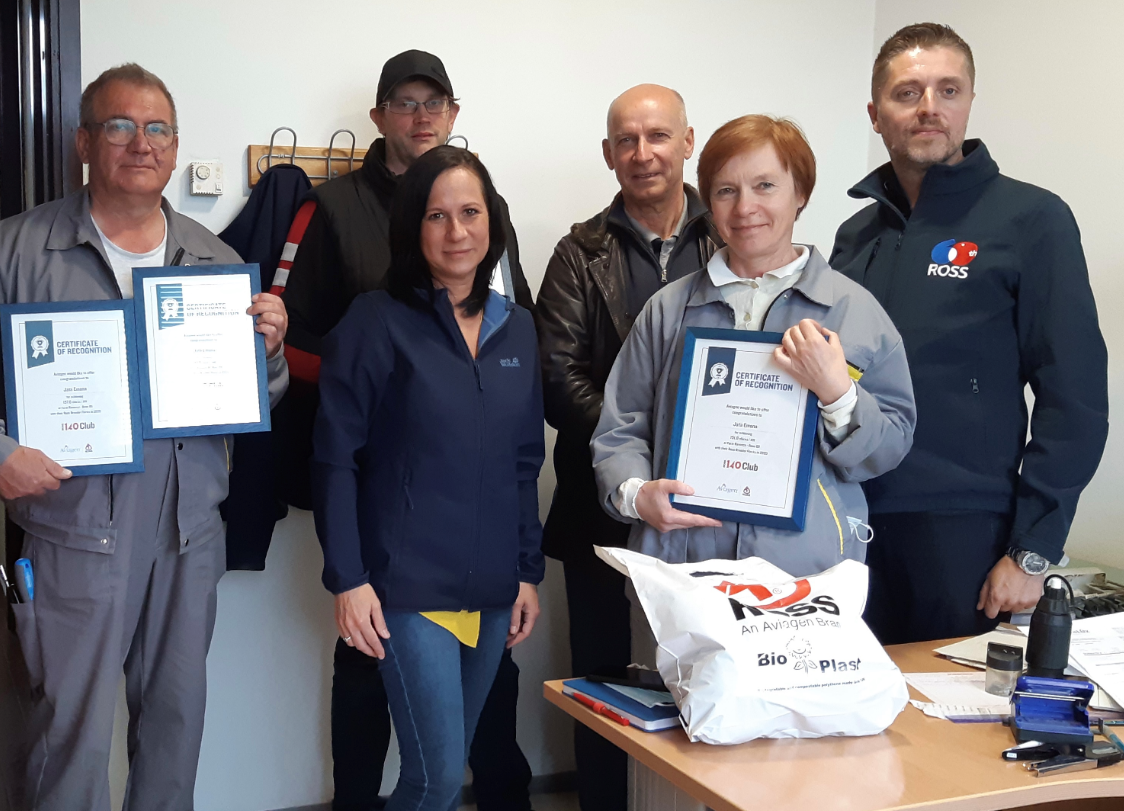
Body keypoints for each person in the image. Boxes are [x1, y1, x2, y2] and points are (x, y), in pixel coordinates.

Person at [0, 64, 289, 811]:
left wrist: (268, 353)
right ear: (85, 141)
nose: (139, 143)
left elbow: (252, 397)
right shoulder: (13, 250)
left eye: (156, 130)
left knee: (176, 726)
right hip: (72, 531)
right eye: (119, 126)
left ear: (176, 149)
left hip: (188, 534)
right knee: (69, 735)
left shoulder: (212, 263)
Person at [280, 50, 535, 811]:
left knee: (449, 764)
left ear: (492, 224)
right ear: (411, 226)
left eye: (470, 213)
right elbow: (336, 458)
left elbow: (524, 459)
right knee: (431, 775)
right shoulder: (375, 321)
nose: (455, 231)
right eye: (435, 214)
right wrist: (349, 580)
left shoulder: (515, 326)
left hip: (491, 585)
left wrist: (527, 570)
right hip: (403, 585)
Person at [590, 115, 916, 656]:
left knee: (794, 734)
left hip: (805, 581)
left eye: (765, 185)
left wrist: (838, 394)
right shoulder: (669, 311)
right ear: (708, 203)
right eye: (726, 190)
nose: (745, 208)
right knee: (671, 734)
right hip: (681, 573)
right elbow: (620, 429)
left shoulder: (853, 311)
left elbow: (891, 446)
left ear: (800, 193)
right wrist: (637, 495)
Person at [830, 23, 1109, 645]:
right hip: (850, 524)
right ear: (876, 115)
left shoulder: (1033, 220)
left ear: (969, 103)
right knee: (848, 731)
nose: (930, 107)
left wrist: (1033, 549)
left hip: (965, 536)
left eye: (947, 90)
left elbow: (1077, 399)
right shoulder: (855, 238)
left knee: (946, 733)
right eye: (908, 93)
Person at [532, 84, 718, 811]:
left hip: (713, 509)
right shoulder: (580, 251)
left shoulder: (732, 232)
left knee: (706, 675)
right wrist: (637, 464)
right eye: (626, 140)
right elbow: (556, 375)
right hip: (602, 511)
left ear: (687, 141)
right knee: (606, 683)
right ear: (608, 153)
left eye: (657, 136)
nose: (643, 153)